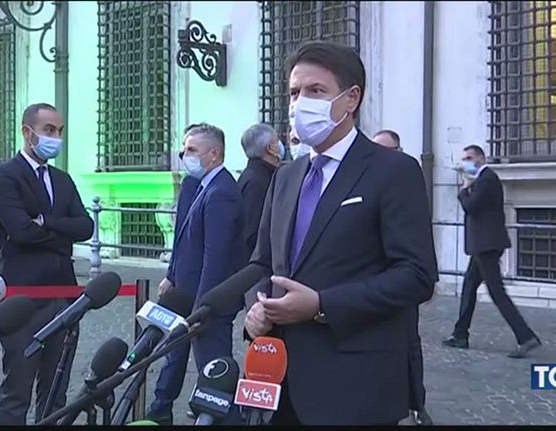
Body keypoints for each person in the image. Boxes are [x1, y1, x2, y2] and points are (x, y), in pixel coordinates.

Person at [220, 40, 438, 425]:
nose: (300, 103)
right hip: (280, 383)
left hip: (355, 385)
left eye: (316, 90)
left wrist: (322, 304)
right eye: (294, 93)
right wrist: (257, 308)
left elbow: (417, 276)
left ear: (351, 98)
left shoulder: (394, 171)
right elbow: (262, 263)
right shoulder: (285, 177)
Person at [0, 103, 93, 425]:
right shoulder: (5, 176)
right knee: (17, 391)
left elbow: (85, 227)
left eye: (59, 131)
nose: (56, 137)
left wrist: (45, 221)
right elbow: (20, 231)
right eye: (49, 130)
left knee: (55, 393)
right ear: (27, 131)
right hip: (23, 299)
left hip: (64, 296)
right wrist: (62, 234)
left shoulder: (62, 179)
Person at [147, 123, 244, 425]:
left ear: (214, 154)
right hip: (191, 297)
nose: (184, 156)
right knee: (198, 367)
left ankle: (227, 420)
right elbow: (187, 242)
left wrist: (203, 306)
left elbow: (216, 256)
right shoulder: (204, 186)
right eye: (184, 150)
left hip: (208, 304)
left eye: (191, 150)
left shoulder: (221, 192)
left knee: (214, 375)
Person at [442, 144, 541, 358]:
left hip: (487, 245)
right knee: (469, 286)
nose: (465, 162)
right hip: (482, 244)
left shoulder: (487, 179)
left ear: (481, 158)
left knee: (496, 292)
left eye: (469, 158)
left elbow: (471, 207)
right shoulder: (482, 179)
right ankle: (460, 334)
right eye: (463, 159)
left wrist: (464, 189)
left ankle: (526, 337)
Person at [371, 130, 431, 425]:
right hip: (373, 283)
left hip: (401, 280)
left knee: (409, 344)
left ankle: (416, 403)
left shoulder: (406, 176)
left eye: (387, 149)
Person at [237, 123, 283, 265]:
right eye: (277, 141)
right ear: (270, 148)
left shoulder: (260, 175)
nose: (281, 145)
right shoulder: (256, 181)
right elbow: (252, 232)